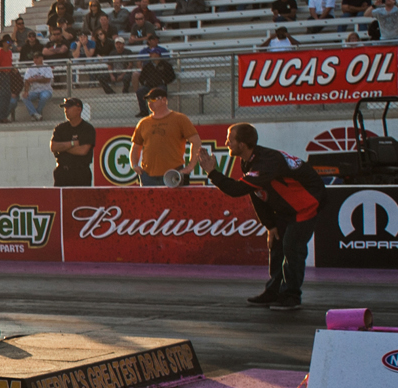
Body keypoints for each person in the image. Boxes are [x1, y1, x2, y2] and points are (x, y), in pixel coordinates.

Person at [197, 126, 325, 312]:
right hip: (286, 207)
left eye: (229, 140)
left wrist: (212, 172)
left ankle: (291, 296)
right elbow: (257, 194)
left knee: (292, 247)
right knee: (276, 243)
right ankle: (273, 291)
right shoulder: (249, 160)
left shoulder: (266, 162)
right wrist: (270, 225)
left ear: (241, 144)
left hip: (307, 203)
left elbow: (237, 190)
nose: (226, 143)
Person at [130, 88, 198, 186]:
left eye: (153, 99)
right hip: (148, 176)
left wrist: (190, 166)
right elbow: (136, 146)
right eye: (148, 100)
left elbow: (196, 142)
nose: (150, 103)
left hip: (172, 175)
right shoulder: (143, 123)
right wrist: (134, 165)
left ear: (164, 100)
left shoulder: (179, 119)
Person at [48, 99, 95, 187]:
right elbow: (54, 147)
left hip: (81, 173)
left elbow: (83, 150)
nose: (66, 110)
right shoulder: (60, 128)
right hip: (62, 172)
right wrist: (73, 144)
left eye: (69, 107)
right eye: (65, 108)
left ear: (79, 109)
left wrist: (63, 148)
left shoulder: (87, 129)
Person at [20, 53, 56, 121]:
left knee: (44, 97)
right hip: (34, 90)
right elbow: (26, 81)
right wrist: (26, 91)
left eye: (37, 58)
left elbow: (47, 80)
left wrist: (34, 79)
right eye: (34, 58)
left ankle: (37, 113)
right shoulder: (30, 68)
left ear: (41, 58)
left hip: (46, 90)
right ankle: (36, 114)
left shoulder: (47, 67)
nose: (35, 60)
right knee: (24, 97)